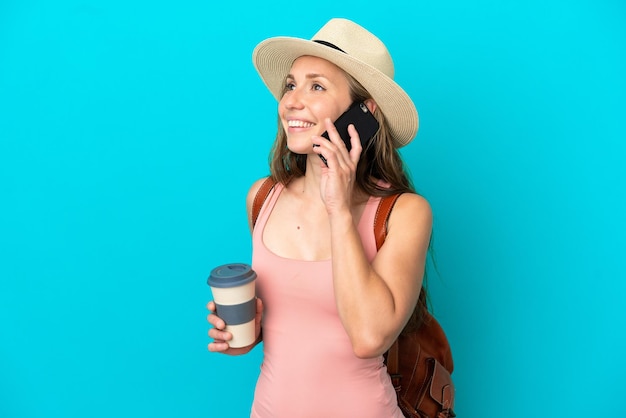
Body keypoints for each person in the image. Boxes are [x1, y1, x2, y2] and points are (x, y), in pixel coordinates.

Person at [207, 18, 432, 418]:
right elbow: (296, 330)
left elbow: (368, 338)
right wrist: (245, 334)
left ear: (364, 112)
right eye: (291, 85)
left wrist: (339, 210)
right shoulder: (262, 198)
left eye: (317, 86)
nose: (292, 100)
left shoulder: (404, 213)